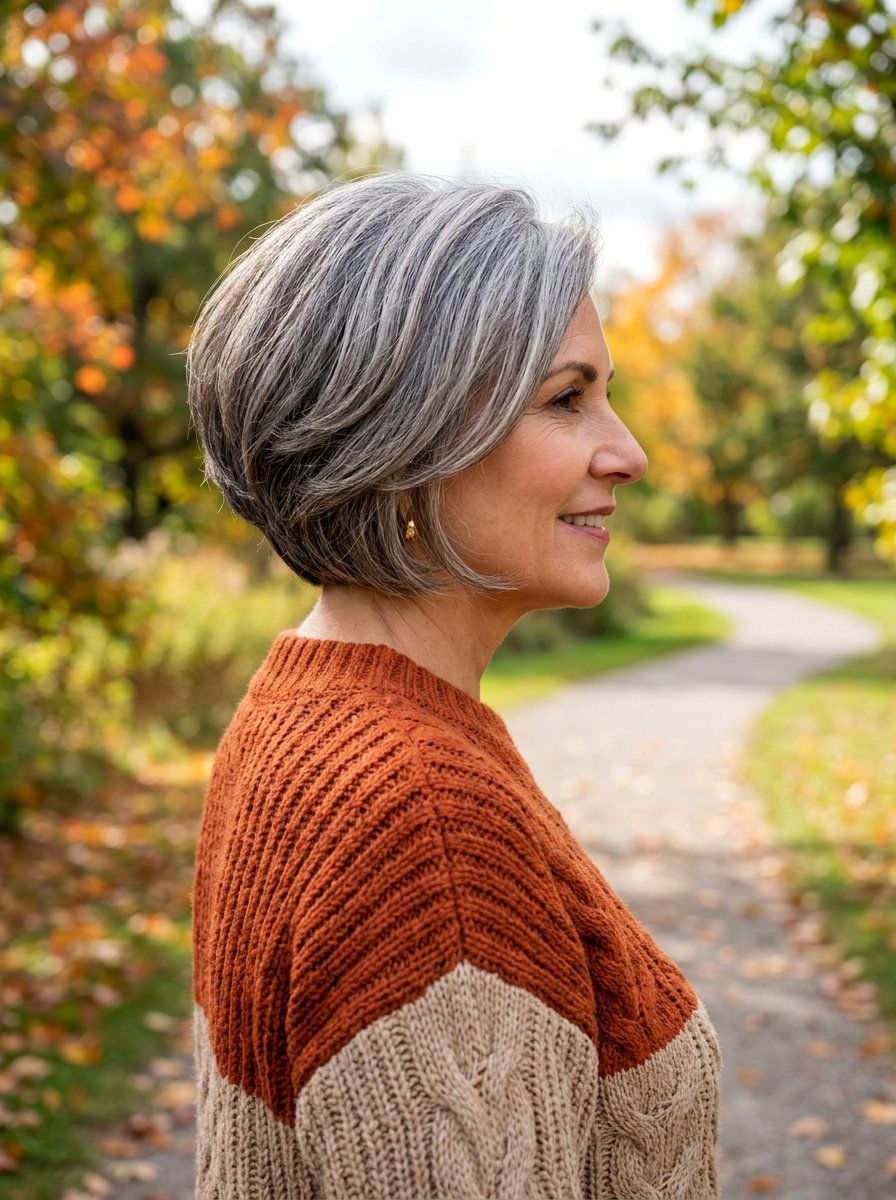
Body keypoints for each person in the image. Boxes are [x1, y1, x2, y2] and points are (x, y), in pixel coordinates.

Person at [185, 170, 722, 1199]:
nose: (629, 454)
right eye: (567, 400)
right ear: (409, 440)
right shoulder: (422, 824)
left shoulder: (301, 708)